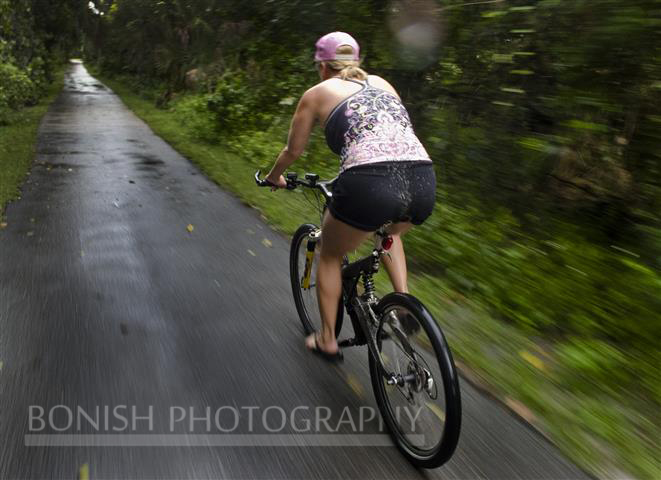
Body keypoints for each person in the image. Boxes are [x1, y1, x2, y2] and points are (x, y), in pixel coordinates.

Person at [265, 32, 435, 361]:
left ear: (323, 66)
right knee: (389, 232)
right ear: (356, 61)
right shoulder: (383, 84)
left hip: (369, 181)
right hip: (422, 177)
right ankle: (403, 302)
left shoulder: (317, 93)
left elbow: (293, 150)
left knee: (329, 254)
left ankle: (328, 338)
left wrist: (274, 177)